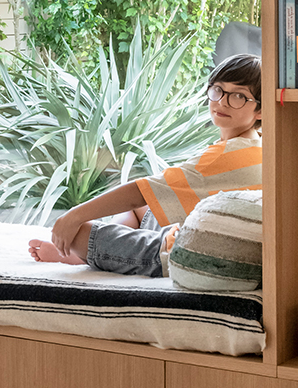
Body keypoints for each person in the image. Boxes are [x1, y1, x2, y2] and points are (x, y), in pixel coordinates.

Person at [28, 53, 262, 276]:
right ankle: (94, 254)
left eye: (239, 96)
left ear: (260, 110)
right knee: (137, 210)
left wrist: (73, 216)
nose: (222, 102)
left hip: (175, 253)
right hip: (187, 233)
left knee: (79, 232)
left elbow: (138, 192)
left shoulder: (227, 155)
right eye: (218, 90)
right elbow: (148, 195)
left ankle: (81, 255)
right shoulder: (256, 146)